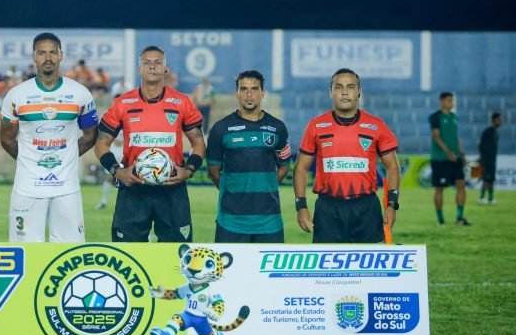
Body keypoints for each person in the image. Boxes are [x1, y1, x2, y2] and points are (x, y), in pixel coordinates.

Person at [95, 46, 205, 242]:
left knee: (176, 253)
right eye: (147, 63)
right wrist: (117, 172)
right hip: (133, 188)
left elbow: (198, 142)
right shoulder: (122, 103)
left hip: (171, 188)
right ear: (139, 69)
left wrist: (188, 171)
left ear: (165, 69)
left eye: (157, 63)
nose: (152, 67)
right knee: (128, 253)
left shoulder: (182, 103)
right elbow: (101, 143)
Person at [0, 32, 98, 242]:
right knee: (26, 252)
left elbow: (90, 136)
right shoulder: (17, 95)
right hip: (27, 187)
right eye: (42, 53)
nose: (48, 58)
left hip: (66, 187)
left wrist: (67, 157)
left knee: (69, 252)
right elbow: (6, 139)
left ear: (61, 55)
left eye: (53, 52)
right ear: (34, 57)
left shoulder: (80, 93)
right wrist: (30, 159)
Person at [293, 68, 400, 243]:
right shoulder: (316, 126)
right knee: (327, 261)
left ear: (359, 92)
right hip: (328, 209)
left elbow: (393, 167)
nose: (344, 92)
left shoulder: (376, 125)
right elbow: (301, 168)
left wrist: (392, 204)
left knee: (368, 261)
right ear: (330, 92)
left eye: (350, 87)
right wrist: (301, 206)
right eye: (338, 87)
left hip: (366, 208)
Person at [206, 70, 292, 243]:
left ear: (263, 93)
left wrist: (266, 187)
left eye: (254, 89)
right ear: (237, 93)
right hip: (231, 222)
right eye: (244, 89)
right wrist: (233, 192)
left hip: (269, 222)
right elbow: (213, 171)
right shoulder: (221, 129)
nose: (249, 94)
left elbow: (284, 165)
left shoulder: (277, 128)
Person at [429, 92, 470, 225]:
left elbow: (455, 136)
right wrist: (448, 152)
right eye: (449, 100)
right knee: (439, 188)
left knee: (461, 185)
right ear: (441, 101)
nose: (451, 103)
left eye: (452, 101)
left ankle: (459, 217)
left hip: (455, 159)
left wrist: (461, 153)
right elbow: (436, 136)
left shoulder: (453, 117)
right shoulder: (435, 117)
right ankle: (440, 219)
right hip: (440, 159)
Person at [478, 112, 502, 205]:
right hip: (486, 160)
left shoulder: (495, 132)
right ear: (493, 120)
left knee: (491, 180)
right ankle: (481, 198)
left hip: (492, 161)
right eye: (498, 119)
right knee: (486, 179)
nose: (500, 121)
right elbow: (481, 146)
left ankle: (490, 199)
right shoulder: (487, 132)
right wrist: (483, 159)